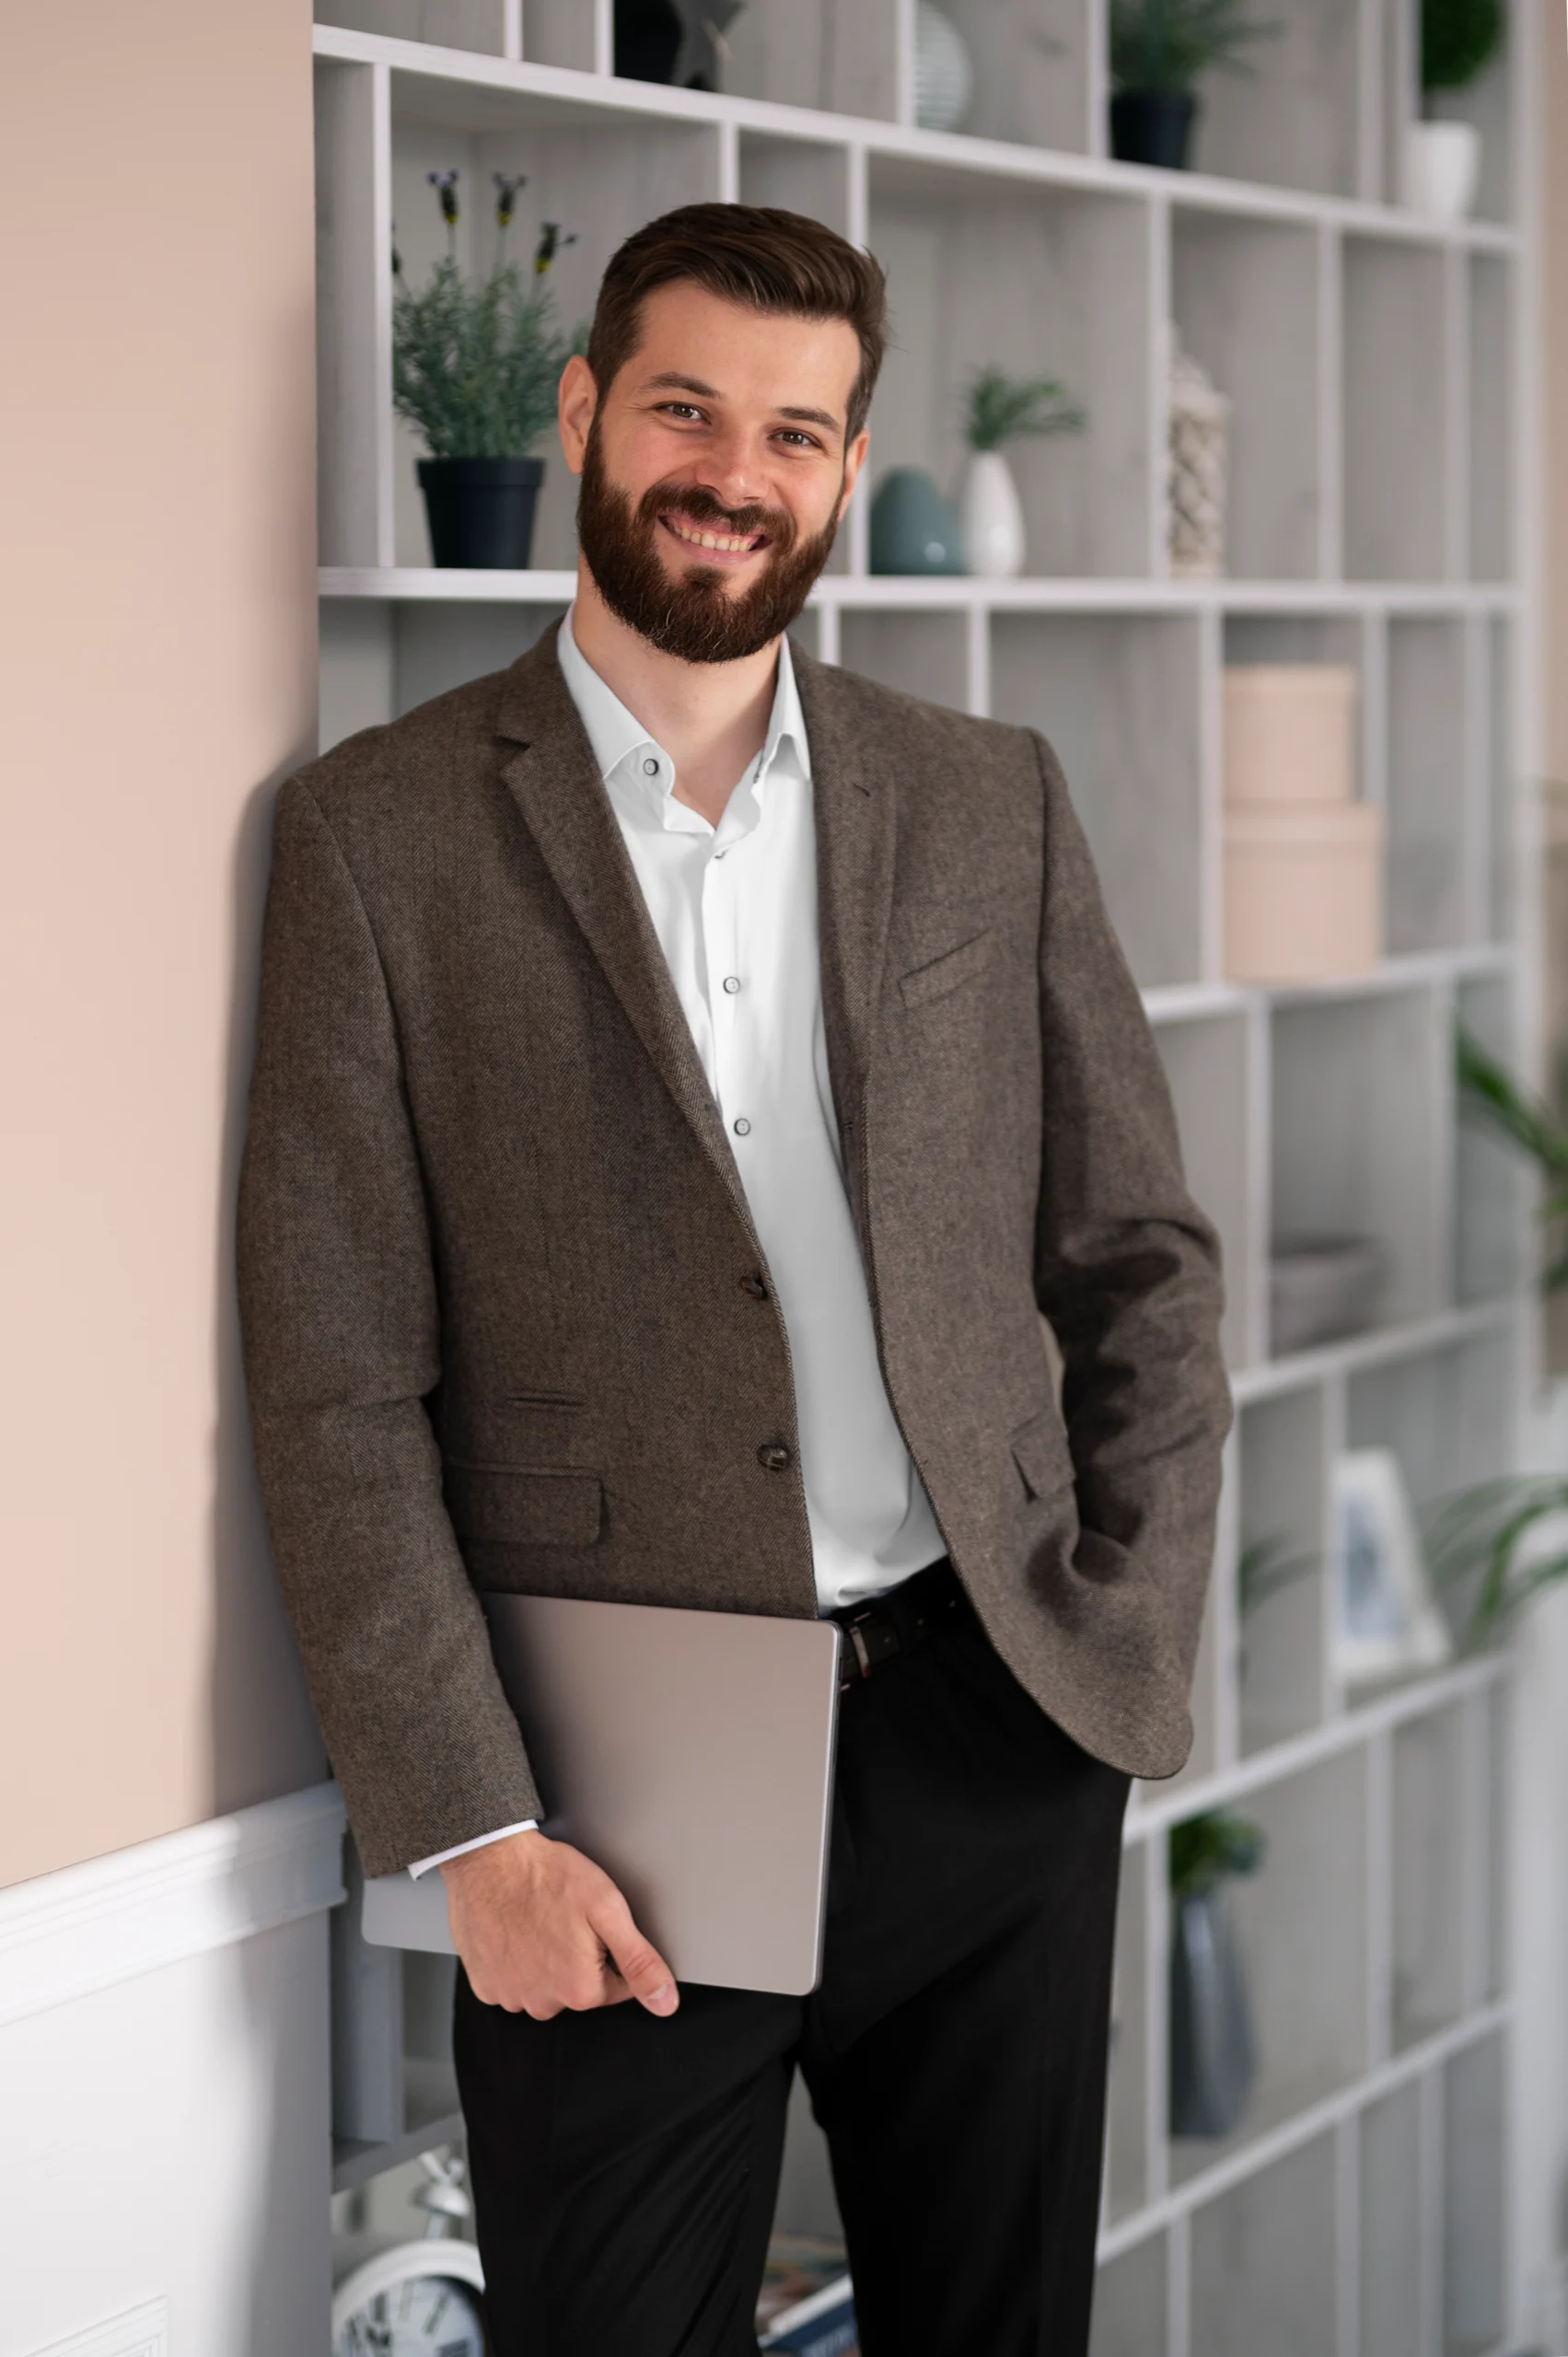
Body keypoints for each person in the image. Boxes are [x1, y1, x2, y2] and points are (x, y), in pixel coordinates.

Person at [238, 203, 1231, 2356]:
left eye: (794, 430)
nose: (733, 468)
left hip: (990, 1727)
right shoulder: (376, 837)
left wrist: (1120, 1653)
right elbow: (332, 1379)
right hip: (613, 1809)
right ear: (585, 410)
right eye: (685, 406)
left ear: (844, 469)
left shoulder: (986, 800)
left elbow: (1137, 1254)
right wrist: (477, 1827)